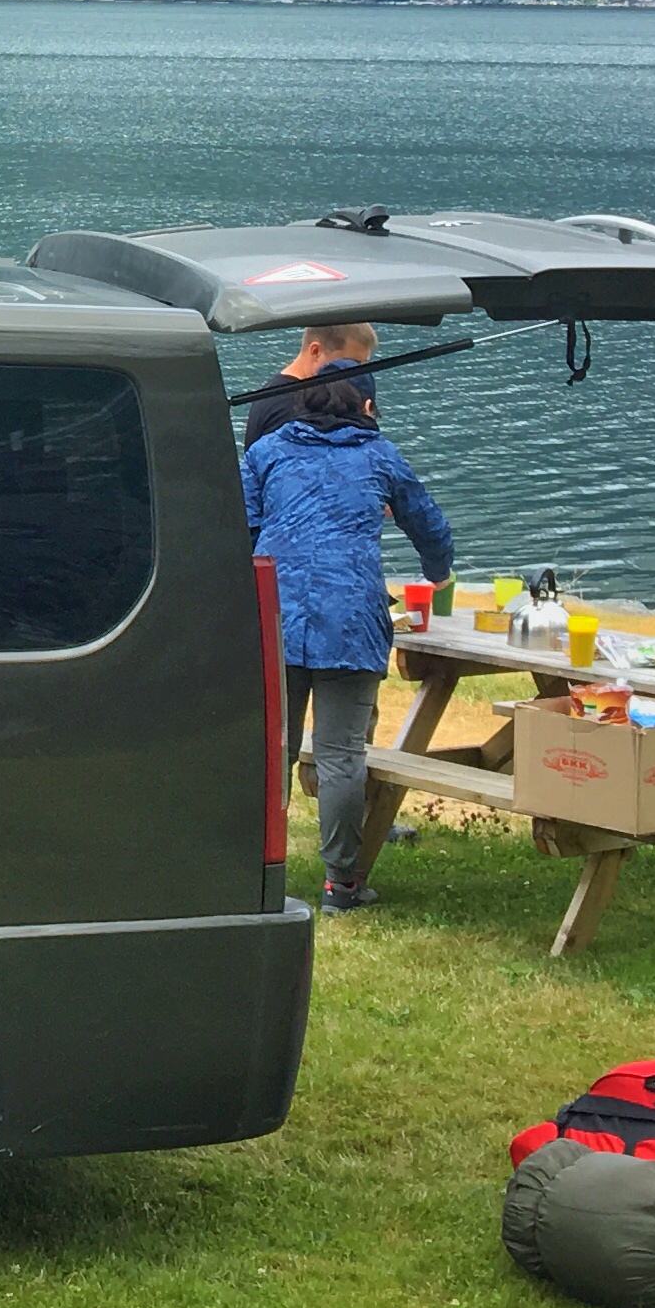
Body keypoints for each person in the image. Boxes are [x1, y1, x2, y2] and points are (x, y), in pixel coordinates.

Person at [241, 375, 455, 913]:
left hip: (276, 613)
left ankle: (248, 871)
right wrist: (438, 573)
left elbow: (241, 526)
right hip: (351, 616)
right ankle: (341, 884)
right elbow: (429, 524)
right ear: (366, 405)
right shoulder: (378, 454)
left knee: (274, 750)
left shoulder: (268, 451)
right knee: (340, 754)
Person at [242, 320, 381, 446]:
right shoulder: (289, 406)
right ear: (316, 351)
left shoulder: (278, 391)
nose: (359, 372)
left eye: (364, 364)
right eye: (353, 362)